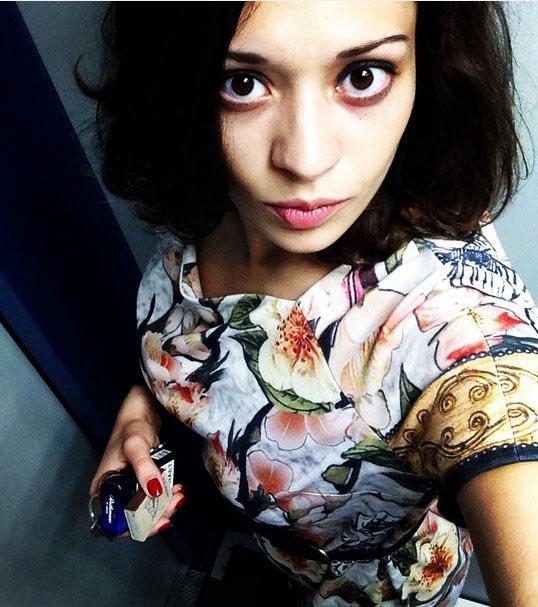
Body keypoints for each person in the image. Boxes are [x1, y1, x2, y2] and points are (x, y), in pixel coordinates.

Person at [81, 2, 538, 605]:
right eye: (242, 82)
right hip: (290, 561)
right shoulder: (211, 187)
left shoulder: (445, 315)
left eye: (363, 75)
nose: (304, 160)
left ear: (428, 64)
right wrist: (142, 411)